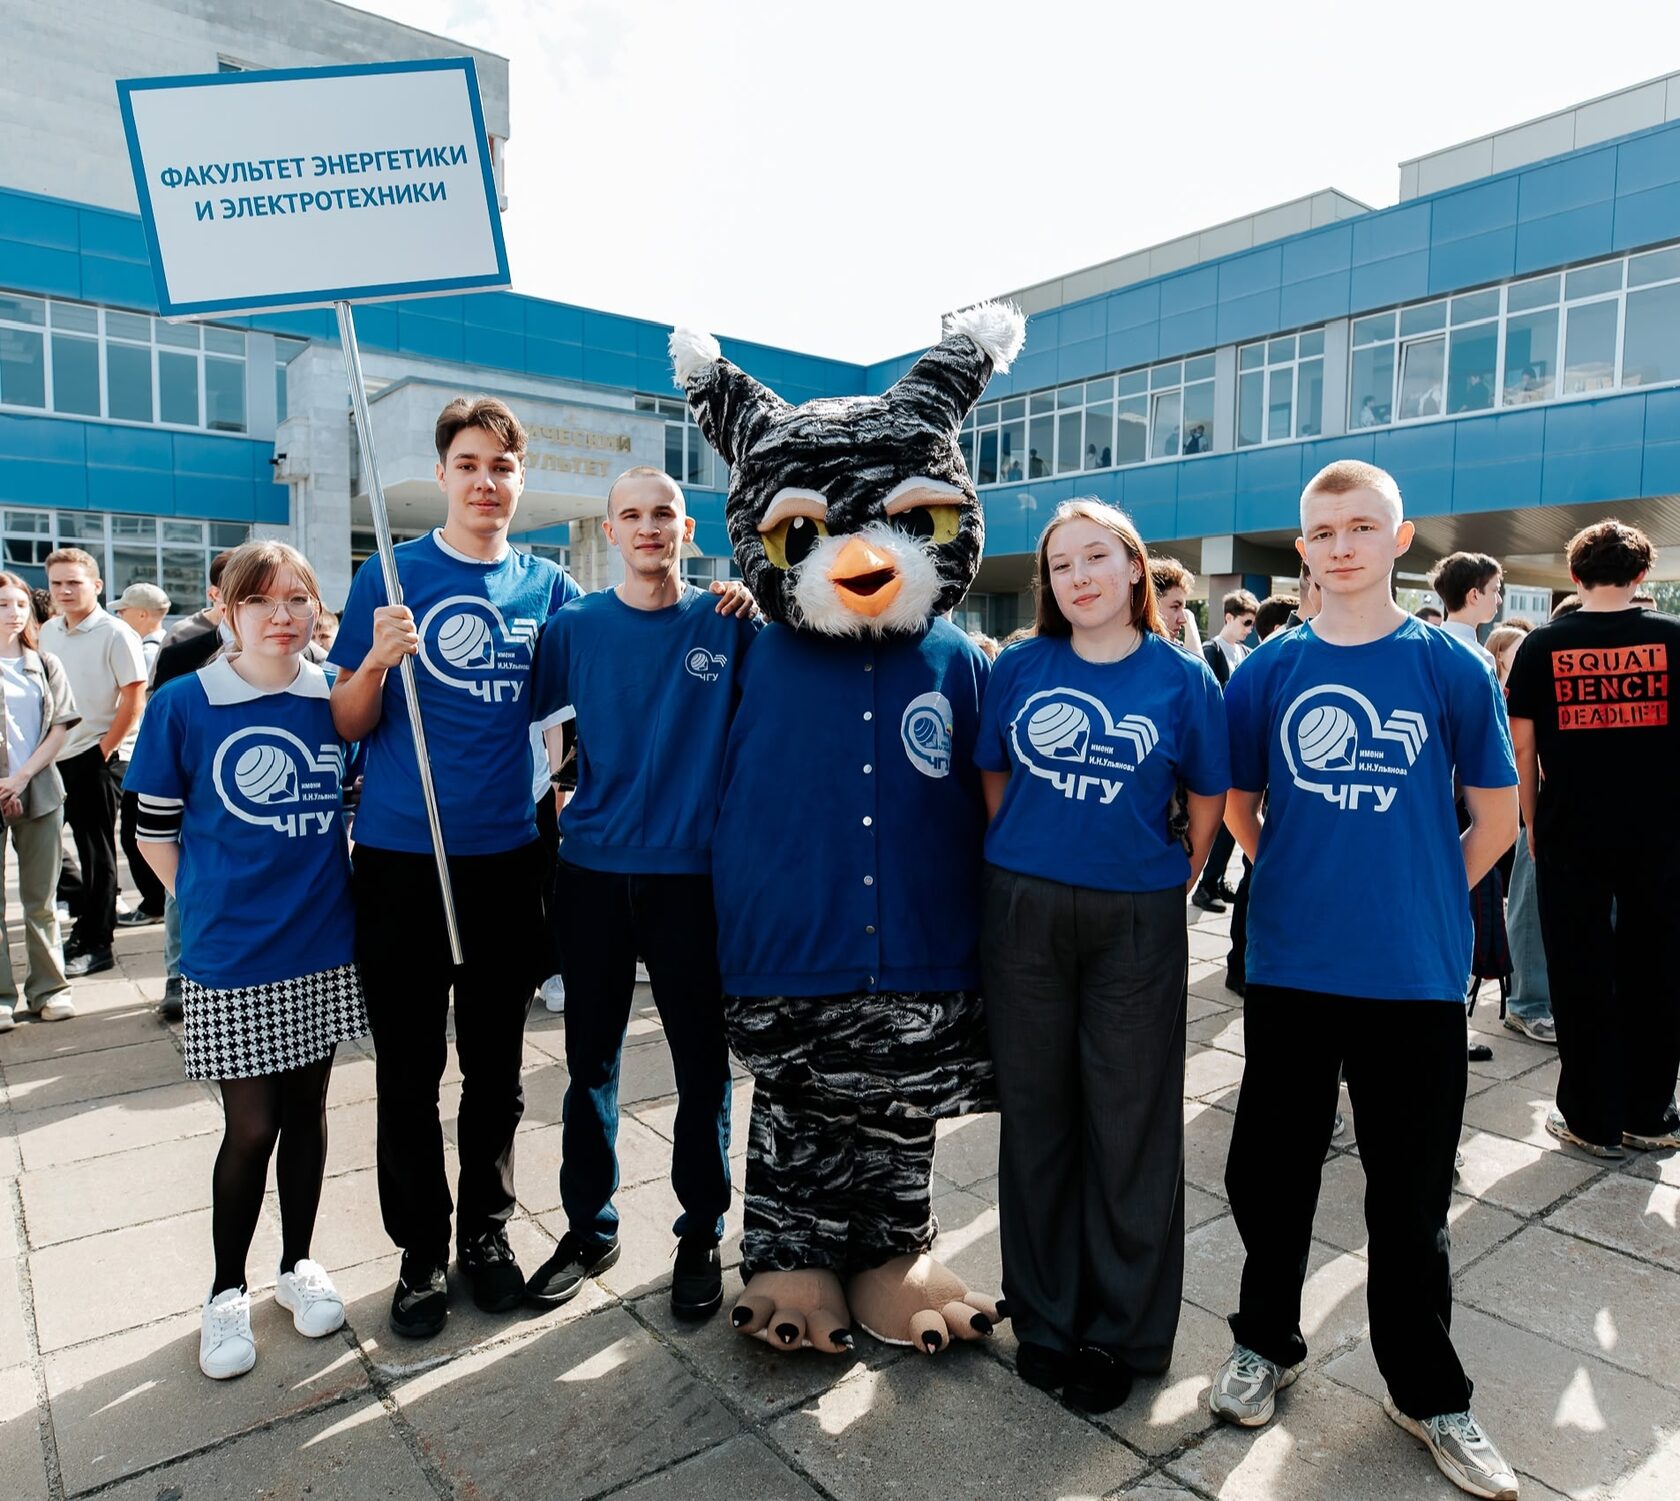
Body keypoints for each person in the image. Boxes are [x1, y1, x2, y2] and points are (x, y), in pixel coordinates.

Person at [1211, 459, 1520, 1501]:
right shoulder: (1266, 670)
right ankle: (1264, 1342)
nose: (1341, 546)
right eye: (1323, 531)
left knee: (1411, 1191)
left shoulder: (1451, 665)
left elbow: (1497, 817)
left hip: (1414, 975)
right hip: (1293, 967)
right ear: (1302, 547)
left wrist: (1420, 888)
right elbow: (1242, 809)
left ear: (1400, 537)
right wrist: (1299, 878)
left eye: (1361, 526)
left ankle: (1428, 1391)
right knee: (1270, 1174)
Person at [329, 396, 580, 1338]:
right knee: (408, 1070)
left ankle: (485, 1230)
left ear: (520, 479)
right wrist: (375, 663)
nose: (485, 481)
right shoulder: (391, 574)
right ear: (441, 474)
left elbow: (567, 725)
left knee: (497, 1069)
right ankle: (421, 1250)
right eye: (468, 464)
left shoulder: (547, 586)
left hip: (505, 860)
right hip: (403, 857)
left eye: (501, 467)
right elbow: (346, 721)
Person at [979, 500, 1228, 1411]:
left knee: (1131, 1123)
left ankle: (1123, 1330)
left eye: (1095, 557)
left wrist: (1168, 874)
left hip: (1137, 916)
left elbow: (1208, 794)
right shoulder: (1019, 666)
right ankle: (1045, 1316)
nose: (1078, 576)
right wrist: (1031, 852)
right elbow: (994, 773)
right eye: (1060, 564)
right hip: (1025, 911)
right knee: (1036, 1116)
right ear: (1047, 583)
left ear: (1132, 568)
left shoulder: (1182, 677)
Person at [129, 541, 366, 1381]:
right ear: (226, 611)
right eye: (260, 600)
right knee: (252, 1126)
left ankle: (297, 1263)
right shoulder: (185, 702)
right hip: (231, 953)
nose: (281, 616)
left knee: (309, 1114)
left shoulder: (333, 695)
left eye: (297, 599)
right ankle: (225, 1288)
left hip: (322, 941)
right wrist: (204, 899)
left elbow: (351, 802)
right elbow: (152, 831)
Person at [525, 467, 757, 1321]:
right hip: (591, 870)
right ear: (611, 530)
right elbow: (518, 730)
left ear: (686, 530)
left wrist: (758, 600)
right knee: (591, 1059)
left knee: (701, 1063)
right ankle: (590, 1227)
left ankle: (701, 1230)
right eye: (632, 514)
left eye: (664, 513)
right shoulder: (575, 627)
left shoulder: (729, 621)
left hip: (692, 877)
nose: (649, 526)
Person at [1505, 520, 1680, 1157]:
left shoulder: (1542, 645)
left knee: (1579, 973)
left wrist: (1530, 823)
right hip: (1661, 834)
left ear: (1575, 576)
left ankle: (1591, 1119)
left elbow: (1523, 748)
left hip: (1570, 832)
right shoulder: (1673, 638)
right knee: (1658, 970)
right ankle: (1650, 1115)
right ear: (1642, 575)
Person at [39, 548, 146, 980]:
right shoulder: (48, 631)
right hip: (54, 753)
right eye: (57, 583)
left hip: (98, 755)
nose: (64, 591)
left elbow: (134, 697)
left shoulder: (116, 633)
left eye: (74, 582)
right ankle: (88, 917)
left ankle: (98, 943)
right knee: (44, 845)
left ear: (97, 586)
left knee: (95, 851)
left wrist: (103, 750)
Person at [149, 551, 240, 1020]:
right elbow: (160, 717)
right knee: (185, 879)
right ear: (218, 596)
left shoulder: (306, 655)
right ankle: (178, 974)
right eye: (247, 592)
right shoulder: (183, 648)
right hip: (197, 790)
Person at [0, 572, 80, 1030]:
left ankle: (50, 989)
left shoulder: (45, 663)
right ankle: (1, 997)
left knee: (42, 900)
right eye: (3, 605)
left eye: (20, 604)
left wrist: (21, 777)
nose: (13, 613)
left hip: (40, 791)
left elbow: (59, 727)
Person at [1190, 589, 1257, 912]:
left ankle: (1214, 879)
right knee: (1223, 821)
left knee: (1234, 825)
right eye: (1245, 622)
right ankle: (1206, 884)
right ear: (1229, 617)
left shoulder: (1247, 653)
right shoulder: (1212, 650)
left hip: (1237, 746)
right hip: (1219, 747)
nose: (1249, 629)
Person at [112, 583, 173, 932]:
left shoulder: (149, 652)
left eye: (124, 609)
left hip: (141, 754)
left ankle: (153, 902)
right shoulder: (166, 645)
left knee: (137, 833)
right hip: (146, 754)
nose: (120, 615)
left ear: (143, 614)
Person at [1430, 552, 1502, 668]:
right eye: (1495, 590)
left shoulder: (1422, 647)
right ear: (1474, 595)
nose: (1499, 600)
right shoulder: (1480, 658)